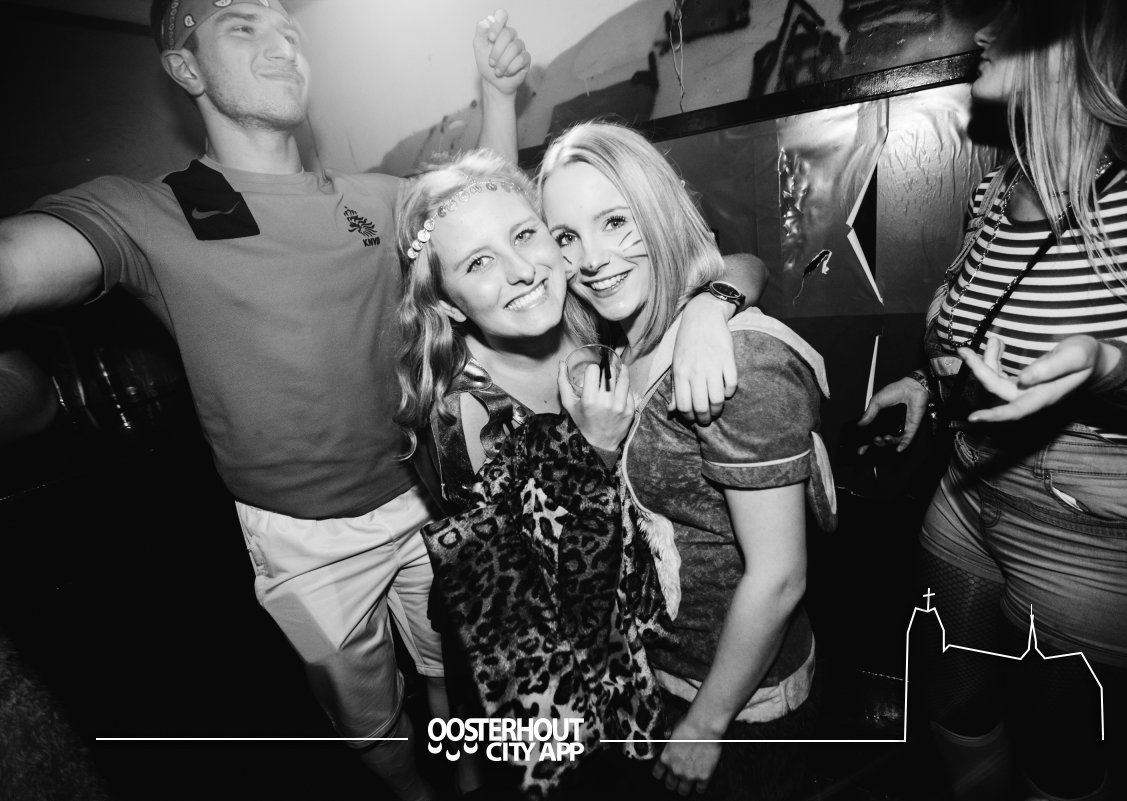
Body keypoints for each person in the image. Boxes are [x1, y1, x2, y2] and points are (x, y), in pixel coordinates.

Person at [0, 2, 532, 798]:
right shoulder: (145, 212)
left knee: (447, 669)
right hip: (302, 542)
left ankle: (463, 778)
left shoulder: (379, 196)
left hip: (428, 499)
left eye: (288, 27)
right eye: (242, 26)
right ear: (185, 67)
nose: (281, 42)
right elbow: (15, 263)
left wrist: (497, 94)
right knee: (367, 721)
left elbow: (491, 222)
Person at [858, 1, 1127, 799]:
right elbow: (981, 327)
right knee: (952, 694)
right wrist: (928, 382)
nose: (984, 34)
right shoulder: (1000, 183)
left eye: (1015, 18)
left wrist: (1116, 370)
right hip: (969, 485)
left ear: (1091, 35)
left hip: (1103, 528)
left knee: (1058, 751)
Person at [389, 148, 768, 798]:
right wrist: (591, 452)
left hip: (657, 656)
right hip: (564, 694)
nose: (519, 271)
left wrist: (710, 311)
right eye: (478, 263)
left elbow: (742, 263)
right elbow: (539, 612)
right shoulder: (465, 418)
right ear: (448, 306)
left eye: (525, 235)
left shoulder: (589, 314)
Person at [538, 121, 837, 801]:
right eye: (566, 237)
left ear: (659, 209)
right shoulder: (625, 344)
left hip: (738, 705)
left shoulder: (740, 361)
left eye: (616, 221)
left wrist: (706, 724)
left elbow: (780, 576)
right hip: (661, 679)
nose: (592, 259)